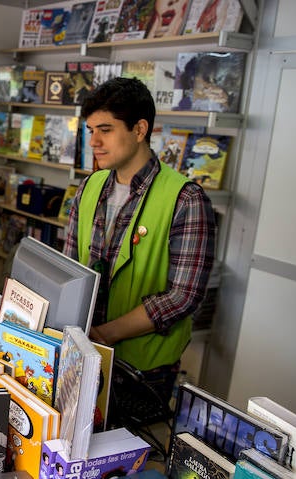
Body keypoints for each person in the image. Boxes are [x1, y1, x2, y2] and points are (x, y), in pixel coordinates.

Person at [63, 77, 216, 406]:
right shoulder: (90, 186)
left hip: (143, 371)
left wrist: (106, 334)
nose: (94, 142)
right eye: (90, 131)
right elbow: (70, 266)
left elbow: (184, 296)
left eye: (105, 129)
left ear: (139, 129)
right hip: (82, 355)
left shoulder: (186, 199)